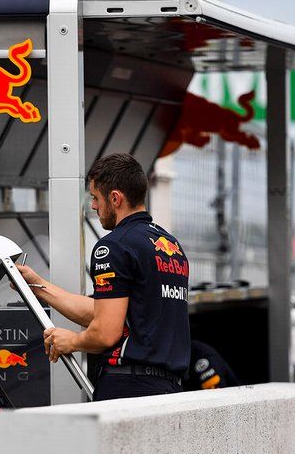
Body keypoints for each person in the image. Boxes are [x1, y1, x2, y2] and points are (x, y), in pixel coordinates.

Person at [17, 152, 190, 401]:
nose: (94, 206)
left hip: (128, 387)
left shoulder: (114, 246)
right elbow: (109, 312)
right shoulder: (171, 246)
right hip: (169, 389)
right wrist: (37, 285)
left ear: (115, 198)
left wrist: (73, 340)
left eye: (95, 198)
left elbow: (106, 331)